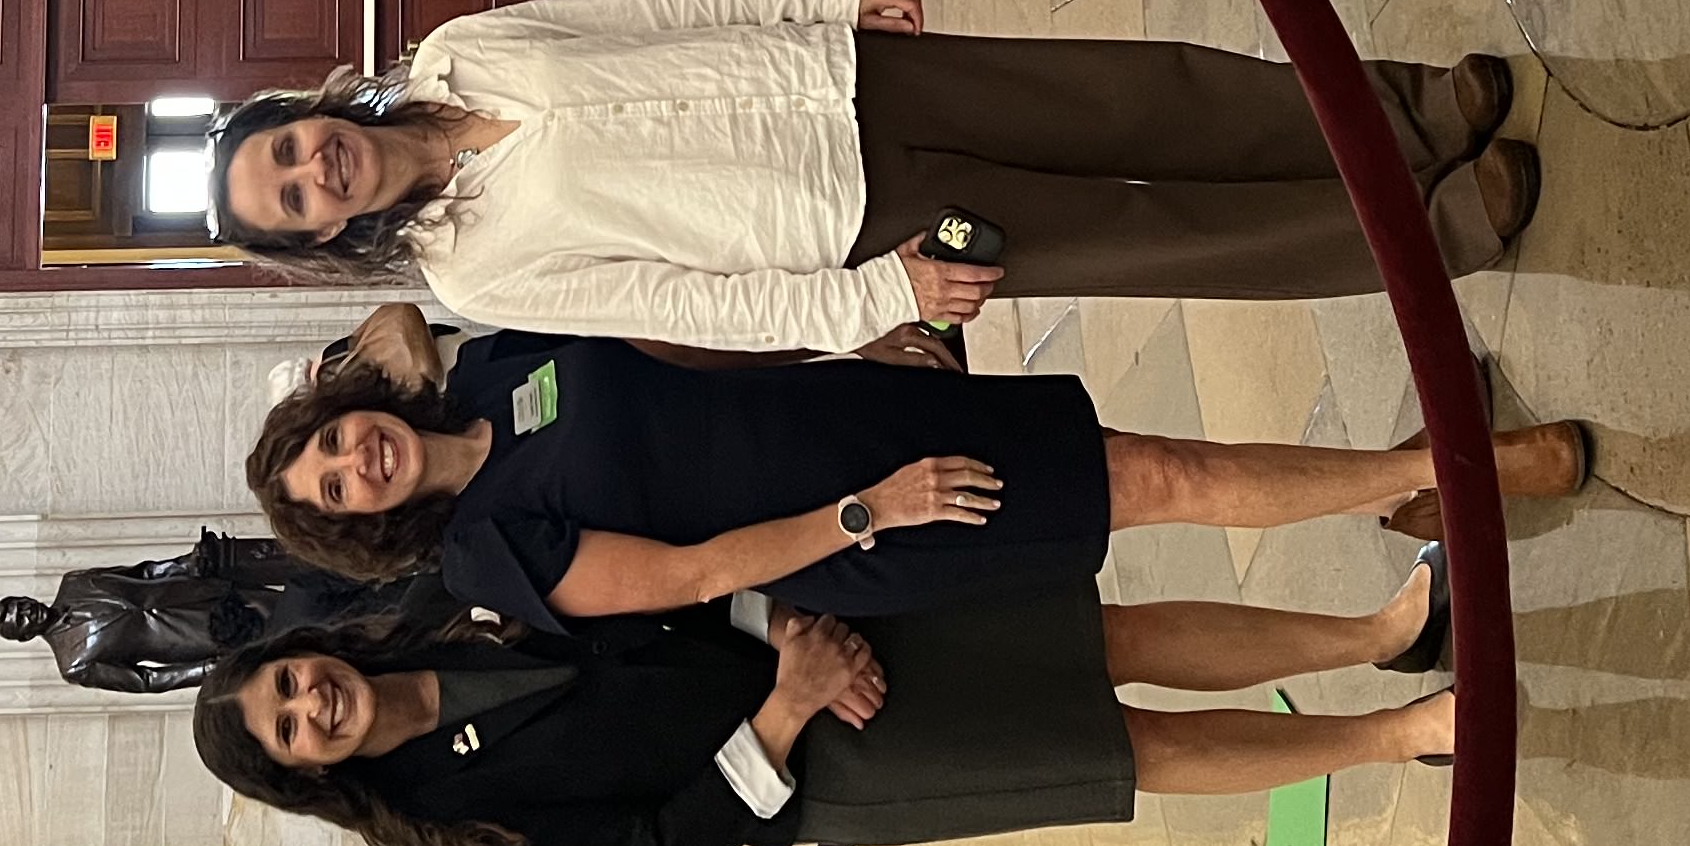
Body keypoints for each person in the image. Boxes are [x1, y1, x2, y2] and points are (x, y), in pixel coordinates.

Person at [204, 0, 1536, 344]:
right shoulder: (475, 278)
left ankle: (1409, 114)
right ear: (317, 240)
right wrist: (878, 299)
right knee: (1151, 232)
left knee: (1152, 95)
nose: (310, 168)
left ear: (306, 113)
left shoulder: (457, 51)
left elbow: (650, 11)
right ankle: (1438, 231)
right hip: (848, 214)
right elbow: (689, 308)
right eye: (288, 199)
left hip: (841, 76)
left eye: (289, 147)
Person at [244, 317, 1593, 628]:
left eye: (329, 444)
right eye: (339, 496)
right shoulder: (488, 551)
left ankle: (1401, 481)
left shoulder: (480, 375)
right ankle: (1456, 477)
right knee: (1158, 476)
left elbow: (681, 353)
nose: (354, 463)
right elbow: (700, 572)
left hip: (839, 407)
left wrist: (850, 343)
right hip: (867, 516)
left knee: (1136, 450)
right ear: (368, 528)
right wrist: (867, 511)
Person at [193, 585, 1451, 846]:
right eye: (291, 730)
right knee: (1118, 744)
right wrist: (788, 706)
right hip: (822, 754)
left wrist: (785, 623)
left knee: (1104, 633)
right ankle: (1393, 738)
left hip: (808, 630)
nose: (313, 704)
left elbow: (648, 587)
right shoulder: (439, 831)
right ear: (305, 772)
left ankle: (1374, 630)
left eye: (292, 681)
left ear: (309, 650)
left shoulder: (445, 614)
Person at [0, 527, 454, 695]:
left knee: (312, 597)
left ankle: (414, 582)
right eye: (18, 621)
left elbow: (144, 572)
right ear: (22, 638)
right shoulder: (74, 663)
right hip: (205, 639)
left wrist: (187, 564)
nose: (25, 614)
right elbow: (145, 680)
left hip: (206, 597)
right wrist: (207, 670)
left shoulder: (76, 583)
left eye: (18, 606)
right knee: (313, 627)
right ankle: (423, 612)